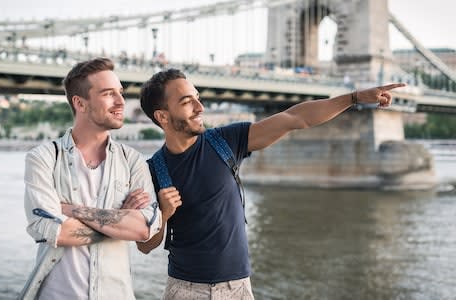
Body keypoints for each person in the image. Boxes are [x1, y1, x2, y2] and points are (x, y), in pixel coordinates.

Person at [137, 68, 406, 299]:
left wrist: (355, 98)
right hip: (185, 290)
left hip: (238, 288)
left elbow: (295, 118)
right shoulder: (153, 170)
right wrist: (163, 213)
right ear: (162, 116)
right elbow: (145, 245)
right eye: (187, 102)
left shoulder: (225, 141)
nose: (200, 107)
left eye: (198, 98)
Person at [19, 57, 162, 299]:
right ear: (80, 103)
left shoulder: (133, 161)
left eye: (120, 92)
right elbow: (54, 232)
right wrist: (120, 224)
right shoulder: (43, 158)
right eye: (108, 94)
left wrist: (71, 210)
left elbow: (144, 229)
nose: (120, 102)